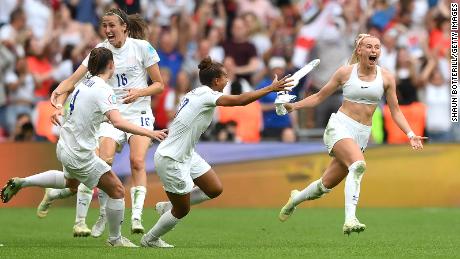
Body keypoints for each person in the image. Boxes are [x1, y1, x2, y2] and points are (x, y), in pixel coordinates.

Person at [0, 47, 167, 247]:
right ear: (111, 66)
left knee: (70, 183)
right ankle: (115, 239)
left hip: (65, 145)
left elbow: (66, 89)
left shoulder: (84, 82)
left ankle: (23, 182)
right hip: (80, 153)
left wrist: (59, 107)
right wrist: (150, 132)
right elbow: (118, 123)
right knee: (117, 190)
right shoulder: (103, 90)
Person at [278, 34, 427, 235]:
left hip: (362, 135)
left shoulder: (387, 77)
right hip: (340, 126)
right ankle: (350, 220)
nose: (374, 50)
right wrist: (293, 106)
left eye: (377, 47)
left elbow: (396, 111)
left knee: (324, 186)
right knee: (358, 166)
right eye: (369, 46)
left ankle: (295, 198)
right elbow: (319, 96)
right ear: (359, 51)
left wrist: (411, 134)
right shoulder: (345, 73)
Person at [36, 8, 165, 237]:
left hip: (139, 111)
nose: (107, 30)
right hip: (110, 113)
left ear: (124, 26)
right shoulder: (100, 51)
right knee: (103, 163)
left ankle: (136, 217)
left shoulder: (142, 47)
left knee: (137, 162)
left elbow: (159, 84)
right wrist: (57, 98)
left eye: (112, 25)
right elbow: (74, 79)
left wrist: (140, 92)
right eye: (104, 26)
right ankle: (100, 215)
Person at [140, 57, 293, 248]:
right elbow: (240, 101)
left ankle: (168, 206)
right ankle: (150, 239)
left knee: (213, 189)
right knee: (183, 210)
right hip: (172, 158)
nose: (228, 80)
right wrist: (270, 88)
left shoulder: (196, 92)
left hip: (186, 153)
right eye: (225, 77)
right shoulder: (207, 96)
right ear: (216, 81)